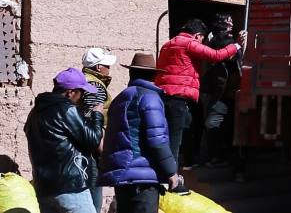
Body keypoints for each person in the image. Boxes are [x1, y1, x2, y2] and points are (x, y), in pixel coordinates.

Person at [99, 53, 188, 213]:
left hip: (123, 178)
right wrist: (171, 171)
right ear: (154, 75)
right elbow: (157, 139)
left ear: (131, 73)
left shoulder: (120, 98)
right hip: (142, 179)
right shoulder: (149, 98)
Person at [156, 18, 246, 165]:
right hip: (180, 95)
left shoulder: (168, 44)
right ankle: (171, 172)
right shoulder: (189, 43)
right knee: (177, 135)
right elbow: (216, 55)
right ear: (197, 35)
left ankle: (188, 161)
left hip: (165, 94)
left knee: (184, 128)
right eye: (202, 39)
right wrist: (236, 45)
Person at [24, 68, 104, 213]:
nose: (82, 98)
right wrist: (97, 115)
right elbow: (92, 140)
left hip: (43, 188)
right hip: (70, 188)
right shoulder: (67, 109)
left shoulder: (35, 112)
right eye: (81, 93)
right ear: (70, 92)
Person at [201, 13, 245, 178]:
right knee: (212, 124)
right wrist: (238, 45)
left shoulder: (232, 41)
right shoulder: (215, 41)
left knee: (237, 133)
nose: (231, 25)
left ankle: (239, 169)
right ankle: (217, 157)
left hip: (237, 94)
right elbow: (225, 53)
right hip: (220, 94)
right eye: (227, 23)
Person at [81, 47, 117, 213]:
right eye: (106, 65)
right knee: (94, 195)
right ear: (98, 68)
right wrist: (101, 147)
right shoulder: (94, 85)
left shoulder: (85, 80)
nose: (109, 69)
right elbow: (93, 118)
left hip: (86, 145)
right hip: (92, 149)